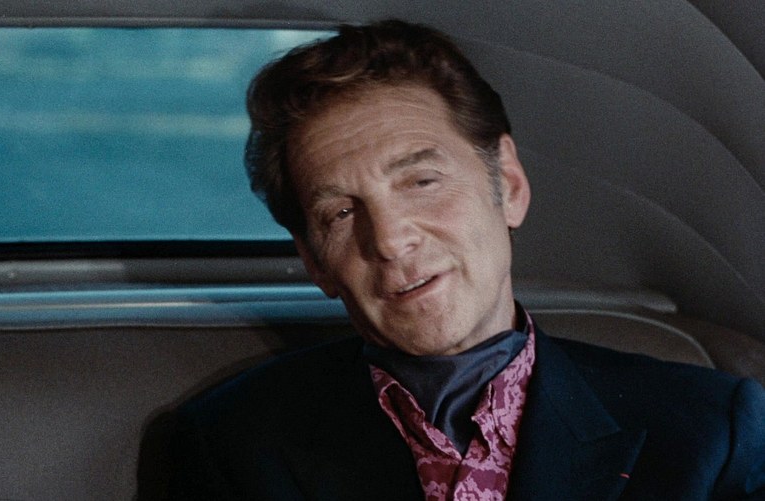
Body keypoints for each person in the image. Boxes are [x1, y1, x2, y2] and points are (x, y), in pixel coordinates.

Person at [167, 20, 765, 500]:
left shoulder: (711, 429)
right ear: (315, 262)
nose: (391, 241)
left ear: (509, 185)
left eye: (422, 181)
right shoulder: (236, 444)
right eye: (341, 214)